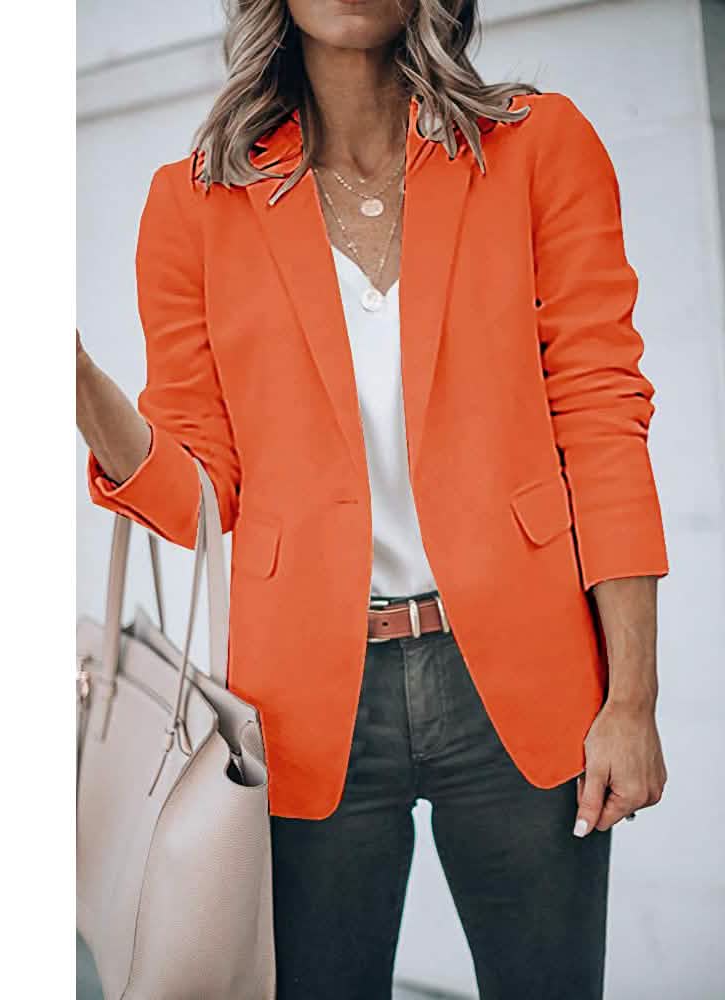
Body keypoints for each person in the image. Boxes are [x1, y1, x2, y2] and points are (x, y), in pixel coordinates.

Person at [76, 1, 670, 997]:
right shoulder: (194, 205)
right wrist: (84, 394)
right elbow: (197, 500)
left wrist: (632, 696)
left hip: (525, 681)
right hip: (305, 700)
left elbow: (601, 421)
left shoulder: (536, 149)